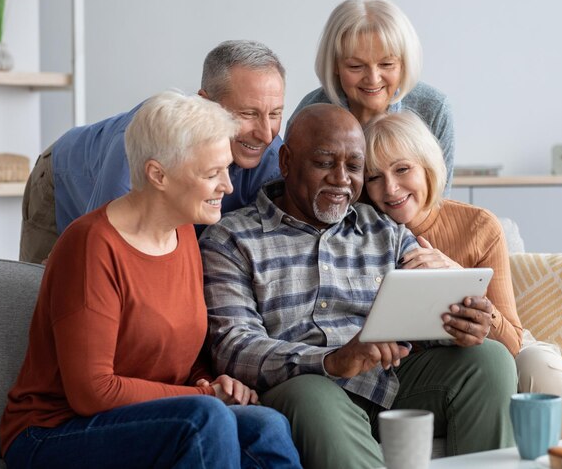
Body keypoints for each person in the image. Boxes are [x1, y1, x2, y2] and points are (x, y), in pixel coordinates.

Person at [199, 103, 516, 469]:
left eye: (353, 167)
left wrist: (462, 323)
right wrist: (330, 361)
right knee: (312, 395)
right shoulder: (231, 238)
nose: (341, 179)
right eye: (324, 163)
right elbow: (233, 347)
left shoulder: (386, 231)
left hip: (389, 382)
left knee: (488, 360)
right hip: (304, 386)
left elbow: (426, 317)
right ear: (286, 161)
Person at [0, 91, 302, 469]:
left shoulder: (185, 234)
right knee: (205, 419)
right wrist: (203, 395)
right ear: (158, 174)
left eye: (225, 169)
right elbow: (92, 393)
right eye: (211, 174)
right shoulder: (91, 245)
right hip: (53, 431)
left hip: (151, 417)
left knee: (266, 426)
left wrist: (212, 382)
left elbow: (176, 358)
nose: (227, 186)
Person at [363, 110, 562, 438]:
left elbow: (511, 341)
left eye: (402, 169)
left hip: (494, 346)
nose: (391, 188)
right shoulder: (359, 233)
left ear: (427, 167)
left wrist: (457, 275)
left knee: (538, 365)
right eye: (374, 177)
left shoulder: (479, 225)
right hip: (429, 369)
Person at [20, 39, 286, 264]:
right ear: (206, 102)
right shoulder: (143, 148)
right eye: (248, 114)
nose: (265, 133)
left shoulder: (271, 155)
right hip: (65, 178)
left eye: (275, 114)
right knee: (48, 286)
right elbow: (103, 250)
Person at [288, 0, 455, 191]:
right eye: (356, 66)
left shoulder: (433, 108)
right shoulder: (311, 113)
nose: (373, 79)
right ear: (335, 65)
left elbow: (439, 200)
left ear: (403, 63)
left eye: (386, 64)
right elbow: (295, 195)